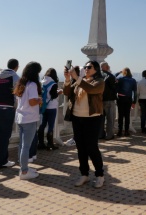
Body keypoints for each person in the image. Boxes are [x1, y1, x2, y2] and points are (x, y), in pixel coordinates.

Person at [63, 60, 106, 188]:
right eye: (85, 67)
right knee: (81, 147)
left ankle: (100, 175)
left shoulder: (99, 82)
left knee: (92, 147)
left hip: (92, 118)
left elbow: (91, 89)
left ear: (96, 69)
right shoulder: (80, 81)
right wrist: (67, 79)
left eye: (89, 67)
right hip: (77, 117)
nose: (86, 69)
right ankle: (84, 174)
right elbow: (67, 92)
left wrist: (76, 78)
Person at [13, 61, 42, 180]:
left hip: (20, 117)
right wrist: (39, 100)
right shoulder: (33, 85)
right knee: (26, 146)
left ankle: (23, 167)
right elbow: (32, 101)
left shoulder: (21, 83)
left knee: (22, 144)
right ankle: (24, 171)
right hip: (29, 118)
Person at [38, 68, 62, 150]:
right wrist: (59, 92)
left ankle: (40, 143)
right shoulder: (53, 83)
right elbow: (54, 95)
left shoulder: (42, 82)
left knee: (42, 124)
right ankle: (50, 144)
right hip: (51, 106)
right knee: (50, 125)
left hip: (43, 106)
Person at [116, 67, 137, 137]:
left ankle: (119, 131)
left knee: (120, 115)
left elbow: (113, 78)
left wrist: (118, 73)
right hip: (128, 99)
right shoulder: (133, 80)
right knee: (127, 115)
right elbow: (135, 92)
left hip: (121, 98)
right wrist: (134, 101)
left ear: (123, 72)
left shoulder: (120, 79)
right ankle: (126, 131)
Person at [99, 62, 117, 140]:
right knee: (110, 119)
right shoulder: (110, 76)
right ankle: (109, 135)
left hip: (100, 100)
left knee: (101, 119)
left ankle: (100, 134)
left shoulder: (97, 76)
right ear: (107, 67)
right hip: (109, 99)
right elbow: (114, 89)